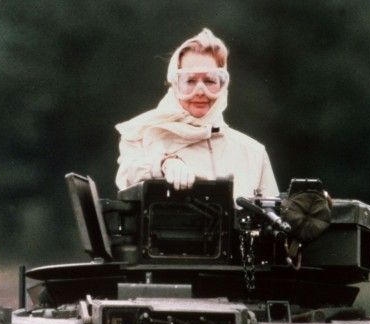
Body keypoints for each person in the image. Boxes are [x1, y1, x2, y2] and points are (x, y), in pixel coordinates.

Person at [115, 28, 279, 199]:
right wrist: (165, 163)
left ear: (223, 85)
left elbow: (273, 211)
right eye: (190, 81)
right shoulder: (140, 135)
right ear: (175, 85)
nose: (200, 92)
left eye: (210, 81)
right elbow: (129, 175)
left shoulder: (254, 153)